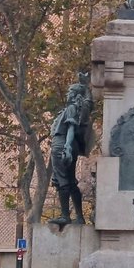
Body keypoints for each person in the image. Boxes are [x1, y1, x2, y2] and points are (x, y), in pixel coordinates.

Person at [48, 74, 94, 226]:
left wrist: (67, 146)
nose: (67, 94)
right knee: (71, 181)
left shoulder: (71, 108)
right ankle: (79, 217)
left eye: (69, 92)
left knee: (62, 180)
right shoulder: (78, 107)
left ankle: (65, 215)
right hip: (67, 144)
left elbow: (71, 127)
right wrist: (86, 87)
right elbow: (89, 102)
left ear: (74, 95)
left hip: (62, 144)